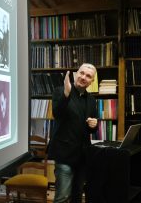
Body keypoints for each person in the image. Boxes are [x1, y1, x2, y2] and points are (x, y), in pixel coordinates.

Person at [47, 63, 98, 203]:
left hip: (82, 156)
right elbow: (57, 113)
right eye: (81, 73)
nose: (83, 77)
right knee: (63, 197)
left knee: (77, 196)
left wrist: (94, 125)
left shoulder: (92, 100)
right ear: (76, 73)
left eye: (88, 76)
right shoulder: (60, 91)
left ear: (92, 81)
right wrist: (66, 94)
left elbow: (89, 127)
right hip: (64, 155)